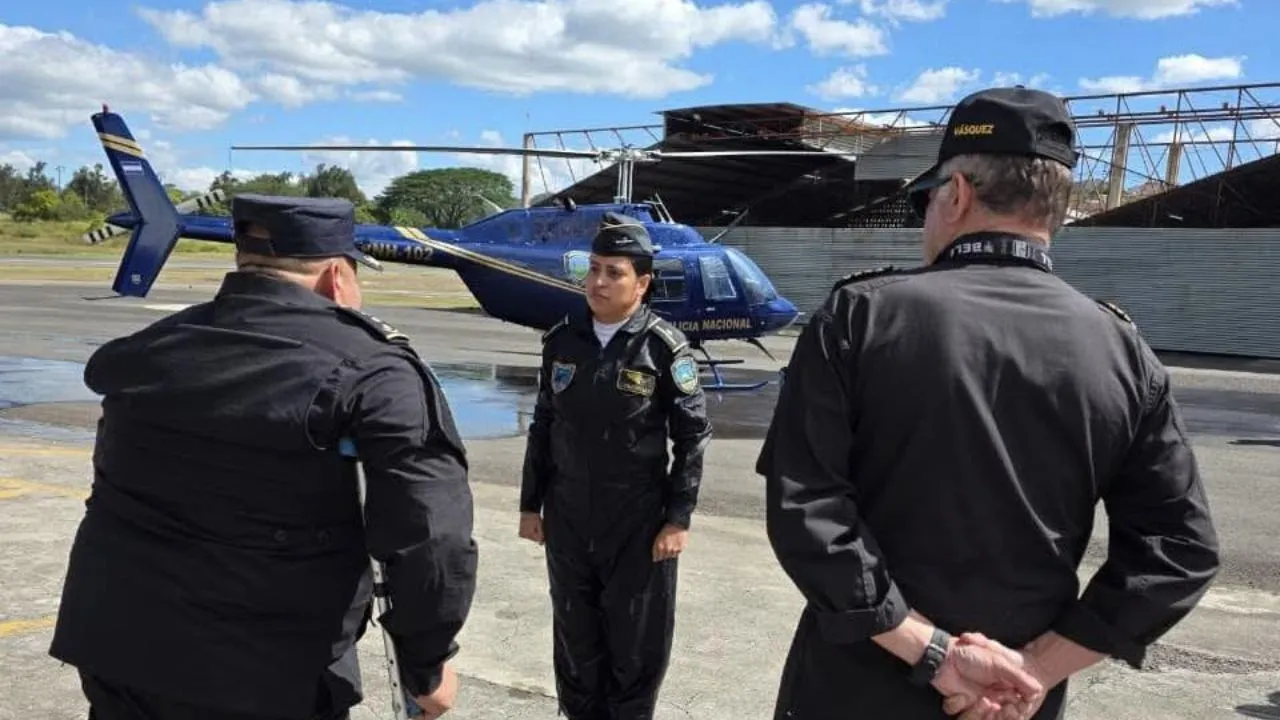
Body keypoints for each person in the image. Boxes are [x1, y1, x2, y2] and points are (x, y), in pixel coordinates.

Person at [756, 86, 1221, 720]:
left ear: (958, 194)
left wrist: (933, 653)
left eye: (930, 199)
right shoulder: (1123, 350)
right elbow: (1179, 550)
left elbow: (806, 505)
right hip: (1015, 702)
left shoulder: (860, 317)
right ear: (1053, 209)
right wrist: (1037, 667)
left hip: (854, 688)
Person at [49, 194, 480, 720]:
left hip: (118, 645)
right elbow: (431, 533)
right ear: (335, 278)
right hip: (264, 667)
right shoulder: (375, 370)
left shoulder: (158, 345)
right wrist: (428, 660)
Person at [517, 211, 713, 720]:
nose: (597, 282)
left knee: (635, 647)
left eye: (613, 272)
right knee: (576, 642)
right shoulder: (563, 340)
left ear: (642, 283)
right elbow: (543, 425)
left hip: (638, 523)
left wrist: (678, 519)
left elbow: (692, 437)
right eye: (594, 268)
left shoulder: (665, 349)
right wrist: (529, 504)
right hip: (569, 517)